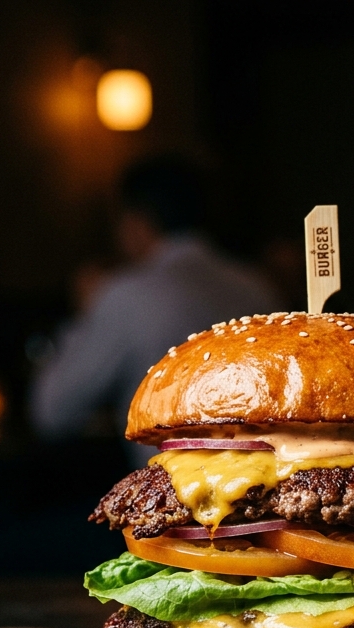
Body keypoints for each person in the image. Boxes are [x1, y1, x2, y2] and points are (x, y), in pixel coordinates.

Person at [30, 158, 277, 459]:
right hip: (263, 486)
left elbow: (51, 411)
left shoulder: (127, 294)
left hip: (167, 493)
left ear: (135, 222)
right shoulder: (258, 287)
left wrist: (85, 312)